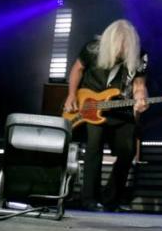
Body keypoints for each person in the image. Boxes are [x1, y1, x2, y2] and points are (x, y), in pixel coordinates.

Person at [64, 19, 149, 212]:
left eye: (126, 46)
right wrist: (71, 94)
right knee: (94, 148)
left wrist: (140, 98)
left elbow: (139, 85)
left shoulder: (141, 55)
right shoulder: (93, 48)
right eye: (119, 46)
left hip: (121, 107)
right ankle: (89, 199)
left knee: (127, 151)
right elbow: (77, 69)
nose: (122, 51)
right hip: (91, 105)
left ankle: (111, 199)